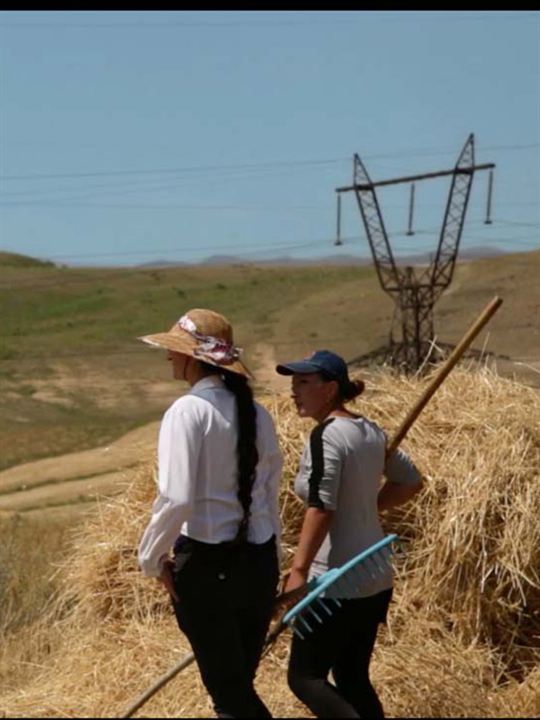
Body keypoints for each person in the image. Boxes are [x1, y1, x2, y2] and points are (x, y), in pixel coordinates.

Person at [137, 308, 283, 719]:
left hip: (206, 567)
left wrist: (151, 558)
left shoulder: (187, 412)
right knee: (236, 690)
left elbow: (176, 496)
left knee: (231, 696)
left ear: (192, 358)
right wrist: (277, 560)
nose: (169, 357)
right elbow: (269, 494)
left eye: (174, 350)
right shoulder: (259, 414)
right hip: (258, 564)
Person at [275, 349, 423, 719]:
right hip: (374, 572)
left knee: (305, 677)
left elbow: (321, 506)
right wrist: (364, 509)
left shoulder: (326, 436)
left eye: (304, 383)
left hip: (335, 579)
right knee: (352, 677)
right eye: (293, 383)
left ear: (329, 389)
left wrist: (298, 572)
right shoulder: (370, 430)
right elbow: (410, 482)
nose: (294, 391)